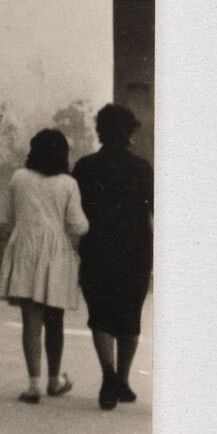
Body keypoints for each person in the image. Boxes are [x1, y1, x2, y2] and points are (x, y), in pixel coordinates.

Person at [0, 126, 89, 403]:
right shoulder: (67, 183)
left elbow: (7, 216)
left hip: (25, 250)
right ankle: (54, 380)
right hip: (56, 255)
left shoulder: (19, 178)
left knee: (30, 320)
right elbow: (78, 225)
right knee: (55, 320)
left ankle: (33, 383)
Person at [73, 103, 153, 411]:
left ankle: (109, 376)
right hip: (136, 251)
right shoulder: (143, 169)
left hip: (97, 249)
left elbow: (75, 209)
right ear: (130, 133)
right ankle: (123, 378)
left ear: (100, 131)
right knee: (130, 315)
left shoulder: (84, 166)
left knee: (101, 314)